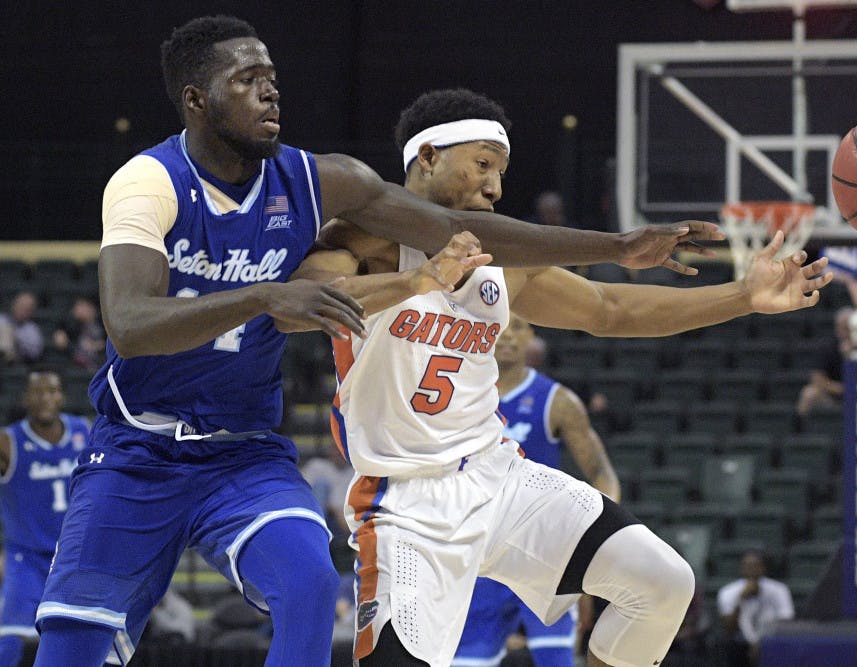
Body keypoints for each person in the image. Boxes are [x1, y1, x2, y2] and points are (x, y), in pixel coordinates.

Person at [34, 17, 722, 667]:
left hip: (245, 452)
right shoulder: (149, 182)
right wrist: (268, 294)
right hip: (138, 448)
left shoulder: (322, 179)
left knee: (307, 586)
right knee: (72, 640)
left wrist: (621, 245)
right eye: (245, 80)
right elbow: (129, 323)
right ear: (196, 99)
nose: (269, 88)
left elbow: (483, 239)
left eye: (271, 75)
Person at [288, 88, 830, 666]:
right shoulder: (363, 239)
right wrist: (417, 284)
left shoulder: (501, 258)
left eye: (501, 170)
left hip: (500, 478)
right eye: (481, 165)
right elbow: (301, 301)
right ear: (427, 158)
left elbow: (608, 310)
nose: (495, 185)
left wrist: (743, 296)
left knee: (661, 583)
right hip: (406, 504)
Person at [453, 314, 620, 667]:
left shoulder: (557, 401)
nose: (508, 336)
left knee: (556, 660)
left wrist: (592, 546)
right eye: (499, 326)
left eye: (518, 327)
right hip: (479, 551)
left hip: (544, 553)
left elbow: (602, 473)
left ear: (531, 334)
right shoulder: (456, 395)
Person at [0, 369, 90, 667]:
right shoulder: (8, 442)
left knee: (86, 638)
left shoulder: (83, 432)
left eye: (51, 391)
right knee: (10, 640)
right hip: (26, 559)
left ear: (61, 395)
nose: (45, 398)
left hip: (72, 558)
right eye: (37, 392)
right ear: (26, 398)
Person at [716, 550, 794, 667]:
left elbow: (787, 620)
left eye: (755, 566)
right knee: (730, 644)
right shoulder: (728, 592)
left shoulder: (779, 590)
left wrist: (761, 641)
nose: (751, 569)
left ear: (763, 568)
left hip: (771, 639)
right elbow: (729, 628)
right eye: (747, 566)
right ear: (741, 568)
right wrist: (741, 599)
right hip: (740, 643)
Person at [796, 306, 855, 417]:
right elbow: (817, 379)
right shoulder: (827, 347)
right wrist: (842, 389)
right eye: (844, 328)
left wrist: (851, 356)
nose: (847, 332)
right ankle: (799, 429)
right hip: (833, 394)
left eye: (850, 328)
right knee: (809, 393)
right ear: (837, 328)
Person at [51, 296, 106, 370]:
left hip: (99, 362)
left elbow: (107, 342)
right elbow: (62, 339)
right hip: (76, 364)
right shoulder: (70, 325)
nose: (79, 310)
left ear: (91, 308)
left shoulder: (102, 324)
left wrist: (97, 345)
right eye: (77, 307)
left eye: (82, 306)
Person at [0, 292, 45, 366]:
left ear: (31, 312)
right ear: (14, 305)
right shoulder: (2, 319)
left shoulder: (32, 330)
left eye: (27, 309)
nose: (22, 311)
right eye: (20, 306)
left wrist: (16, 338)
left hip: (18, 364)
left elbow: (35, 353)